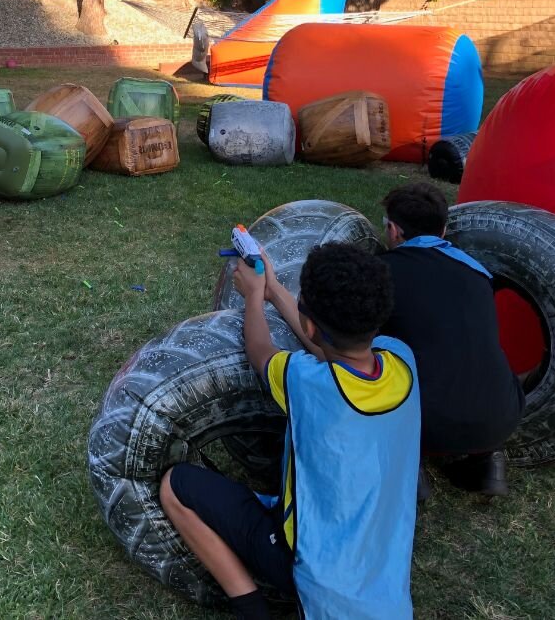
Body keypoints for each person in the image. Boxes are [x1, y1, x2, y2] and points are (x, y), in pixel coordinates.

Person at [159, 243, 420, 620]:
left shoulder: (305, 380)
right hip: (388, 597)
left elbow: (260, 350)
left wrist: (253, 297)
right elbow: (331, 346)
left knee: (175, 486)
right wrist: (275, 288)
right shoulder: (402, 361)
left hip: (318, 588)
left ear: (311, 323)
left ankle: (252, 611)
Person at [378, 182, 525, 496]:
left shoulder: (383, 271)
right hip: (500, 417)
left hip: (426, 422)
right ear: (443, 230)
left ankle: (406, 464)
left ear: (393, 230)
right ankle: (488, 463)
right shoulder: (479, 273)